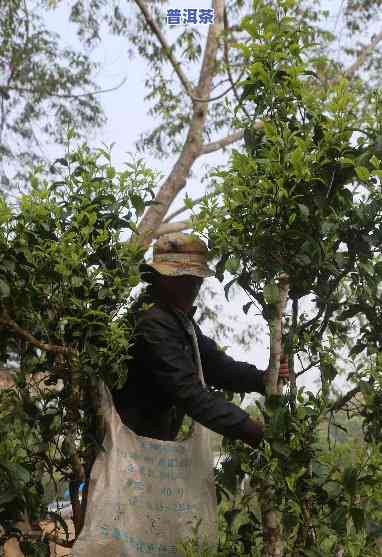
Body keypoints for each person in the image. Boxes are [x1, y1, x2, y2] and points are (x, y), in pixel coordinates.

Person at [112, 233, 289, 448]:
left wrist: (262, 378)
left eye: (197, 279)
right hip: (128, 448)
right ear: (163, 279)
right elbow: (189, 394)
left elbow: (215, 365)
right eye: (185, 278)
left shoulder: (176, 320)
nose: (194, 286)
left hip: (146, 447)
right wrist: (252, 431)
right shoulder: (152, 323)